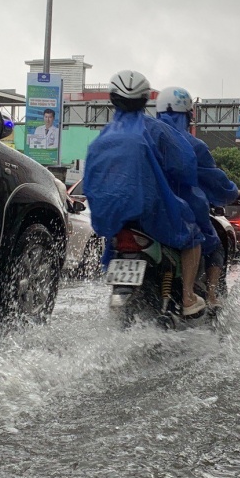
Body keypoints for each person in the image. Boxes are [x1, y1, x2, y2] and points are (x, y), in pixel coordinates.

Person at [83, 70, 206, 316]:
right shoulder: (155, 130)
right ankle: (189, 297)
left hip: (114, 221)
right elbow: (184, 164)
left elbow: (90, 182)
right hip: (153, 212)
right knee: (194, 237)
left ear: (112, 99)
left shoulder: (100, 139)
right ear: (144, 100)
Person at [155, 85, 239, 308]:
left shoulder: (144, 135)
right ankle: (204, 297)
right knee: (214, 245)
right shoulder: (192, 145)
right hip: (183, 214)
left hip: (144, 212)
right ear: (189, 115)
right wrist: (233, 192)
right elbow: (216, 181)